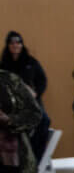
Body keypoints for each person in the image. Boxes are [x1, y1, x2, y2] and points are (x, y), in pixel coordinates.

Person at [1, 31, 49, 160]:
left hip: (32, 101)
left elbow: (42, 80)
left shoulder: (31, 62)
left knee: (44, 121)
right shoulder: (3, 64)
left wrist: (36, 93)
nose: (15, 45)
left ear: (22, 45)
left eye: (18, 42)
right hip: (11, 104)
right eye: (12, 43)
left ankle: (37, 160)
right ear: (8, 45)